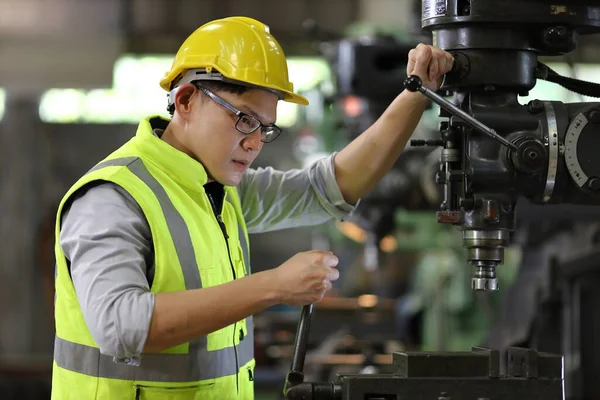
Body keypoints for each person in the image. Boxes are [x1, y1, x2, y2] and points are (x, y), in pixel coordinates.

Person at [51, 16, 453, 400]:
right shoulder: (112, 198)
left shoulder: (219, 190)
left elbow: (331, 186)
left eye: (266, 128)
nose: (255, 142)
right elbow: (122, 326)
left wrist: (415, 94)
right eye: (244, 119)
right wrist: (275, 285)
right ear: (187, 99)